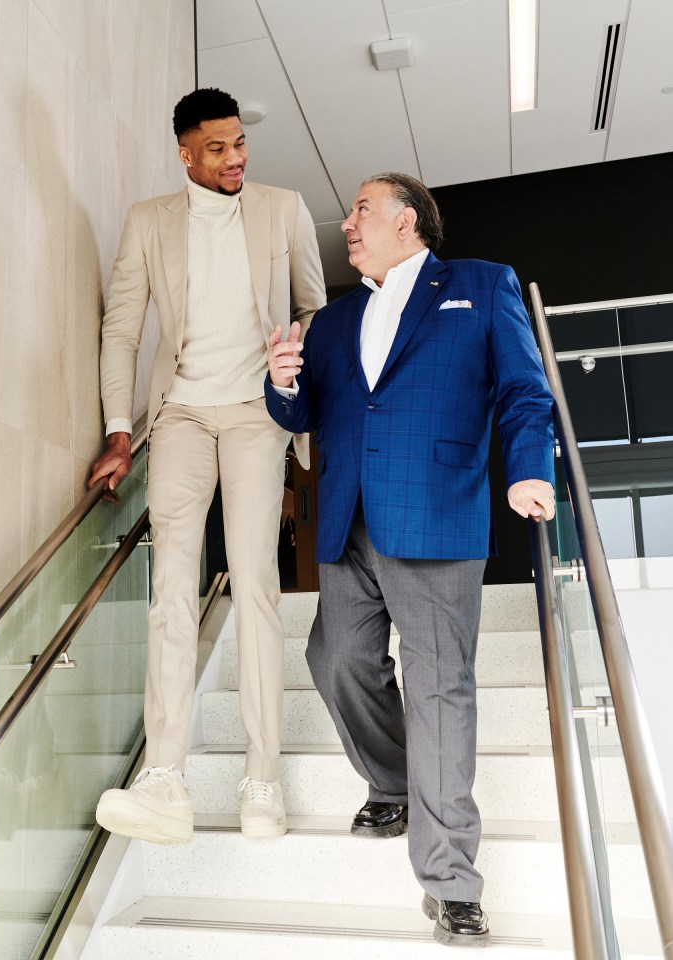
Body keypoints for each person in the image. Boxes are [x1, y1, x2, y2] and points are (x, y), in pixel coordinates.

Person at [264, 172, 555, 945]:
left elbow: (525, 391)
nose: (347, 223)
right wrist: (282, 385)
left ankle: (450, 881)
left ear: (408, 221)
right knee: (335, 660)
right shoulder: (332, 320)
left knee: (438, 690)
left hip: (435, 515)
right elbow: (310, 411)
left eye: (361, 209)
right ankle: (393, 779)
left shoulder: (480, 287)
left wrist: (530, 468)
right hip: (349, 520)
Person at [90, 88, 325, 844]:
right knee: (170, 589)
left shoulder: (284, 209)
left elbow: (315, 309)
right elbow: (122, 328)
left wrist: (296, 357)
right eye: (217, 148)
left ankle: (263, 779)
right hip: (181, 416)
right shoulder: (148, 222)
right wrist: (119, 430)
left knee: (254, 582)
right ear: (185, 155)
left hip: (257, 412)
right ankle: (165, 778)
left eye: (239, 143)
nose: (234, 158)